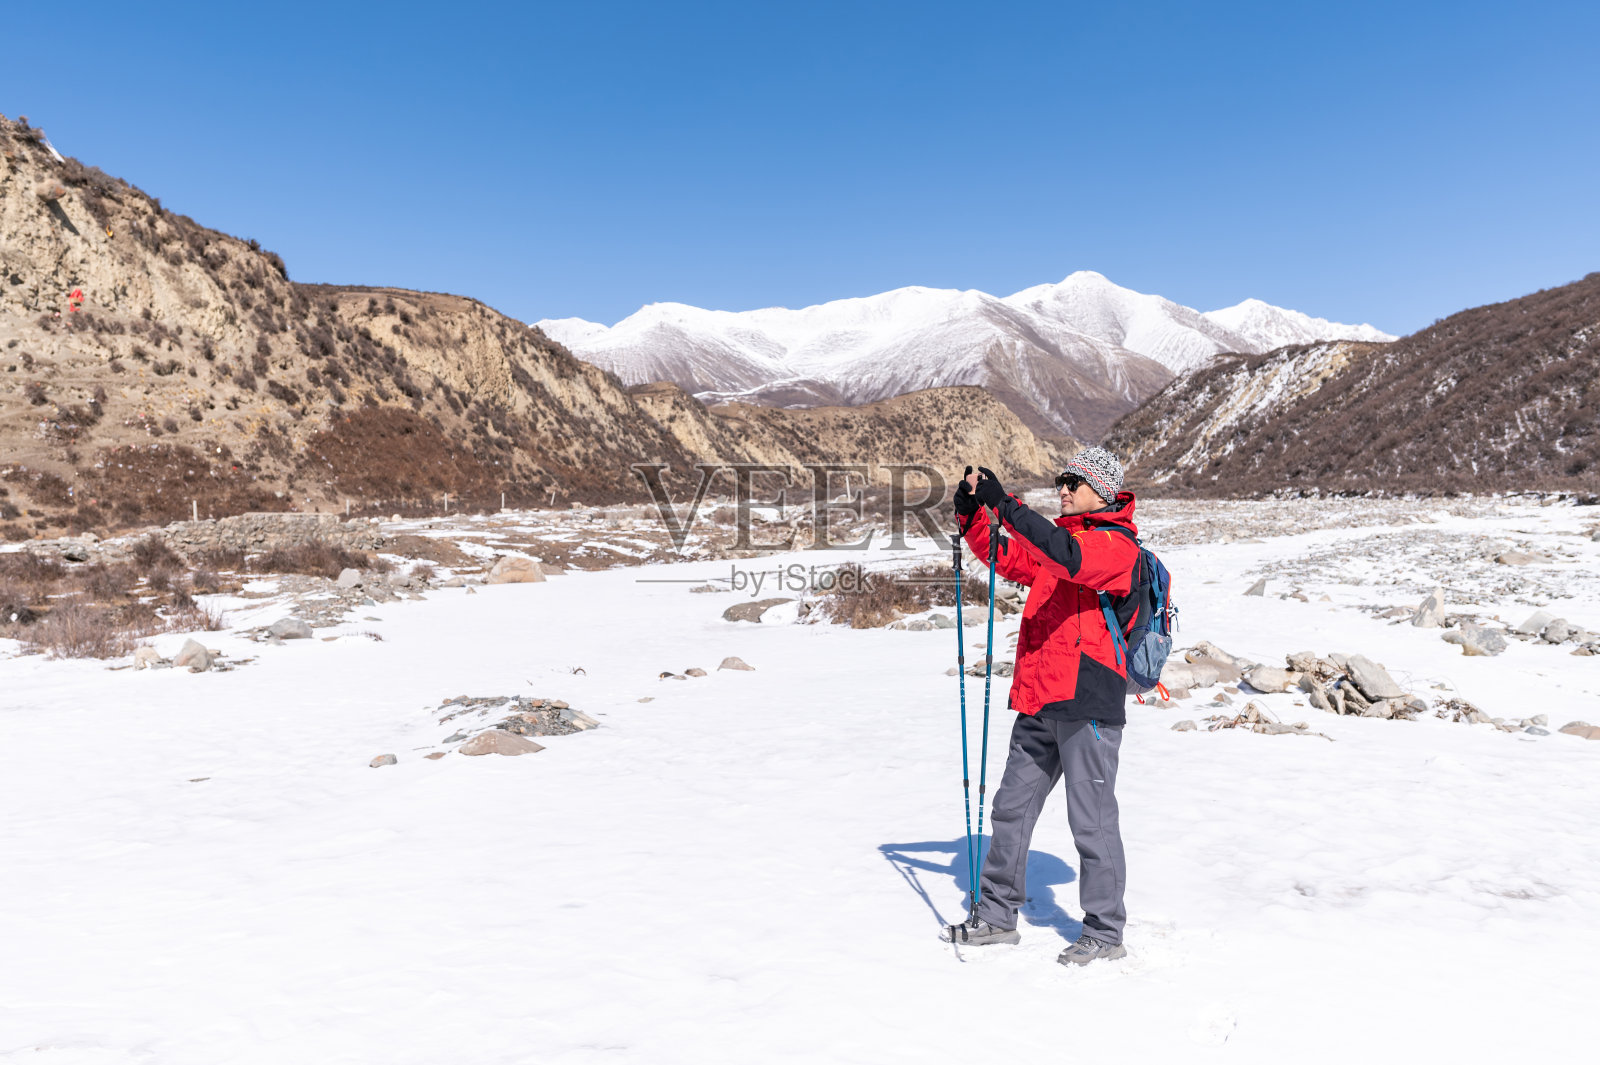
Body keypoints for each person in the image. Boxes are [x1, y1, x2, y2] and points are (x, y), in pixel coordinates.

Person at [948, 446, 1139, 966]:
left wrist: (1004, 503)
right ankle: (996, 916)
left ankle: (1105, 932)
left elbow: (1068, 557)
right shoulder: (1060, 543)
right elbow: (1007, 557)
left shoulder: (1116, 546)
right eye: (1061, 481)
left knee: (1091, 822)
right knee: (1010, 810)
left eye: (1075, 482)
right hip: (1040, 698)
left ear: (1103, 491)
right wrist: (974, 517)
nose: (1064, 489)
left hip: (1089, 703)